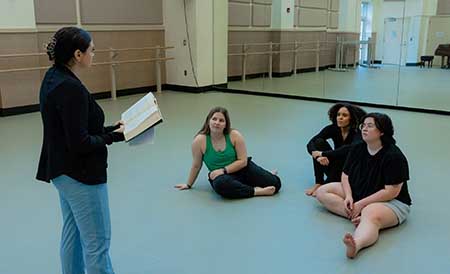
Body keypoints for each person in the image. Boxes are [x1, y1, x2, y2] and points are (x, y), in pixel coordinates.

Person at [36, 27, 124, 274]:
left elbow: (74, 128)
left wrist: (109, 128)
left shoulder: (53, 77)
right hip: (81, 175)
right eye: (91, 50)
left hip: (63, 172)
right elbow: (80, 142)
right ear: (77, 54)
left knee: (73, 234)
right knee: (97, 243)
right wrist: (113, 137)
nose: (93, 54)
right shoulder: (70, 88)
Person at [315, 113, 412, 258]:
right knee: (322, 192)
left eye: (370, 126)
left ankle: (356, 243)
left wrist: (361, 204)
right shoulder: (358, 148)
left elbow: (392, 191)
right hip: (361, 192)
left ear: (382, 131)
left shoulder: (394, 156)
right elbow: (345, 175)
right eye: (363, 126)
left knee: (370, 213)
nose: (364, 129)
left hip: (392, 202)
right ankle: (361, 217)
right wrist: (348, 196)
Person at [175, 107, 281, 199]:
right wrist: (188, 184)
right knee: (221, 185)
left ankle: (265, 175)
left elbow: (243, 161)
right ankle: (256, 191)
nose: (217, 123)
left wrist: (223, 170)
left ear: (226, 124)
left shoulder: (234, 135)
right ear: (208, 121)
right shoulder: (199, 141)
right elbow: (196, 165)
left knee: (276, 184)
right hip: (222, 177)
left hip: (242, 169)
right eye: (214, 119)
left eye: (221, 120)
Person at [305, 103, 366, 196]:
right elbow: (311, 143)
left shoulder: (358, 133)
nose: (340, 118)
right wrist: (318, 156)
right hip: (335, 164)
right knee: (318, 142)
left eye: (344, 115)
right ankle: (319, 182)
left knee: (341, 155)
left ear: (352, 118)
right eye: (338, 115)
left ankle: (329, 183)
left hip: (349, 170)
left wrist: (323, 153)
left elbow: (348, 149)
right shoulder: (333, 128)